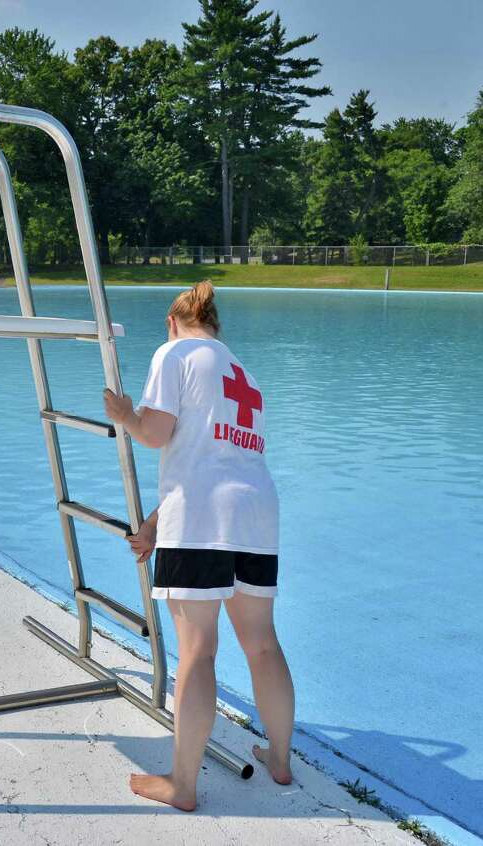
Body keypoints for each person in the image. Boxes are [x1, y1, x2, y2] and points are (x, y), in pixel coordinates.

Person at [101, 280, 294, 812]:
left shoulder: (175, 353)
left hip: (202, 522)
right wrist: (156, 524)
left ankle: (182, 784)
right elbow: (217, 461)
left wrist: (125, 416)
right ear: (216, 326)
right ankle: (280, 760)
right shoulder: (243, 374)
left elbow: (157, 435)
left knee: (198, 651)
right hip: (258, 516)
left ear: (173, 322)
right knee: (262, 644)